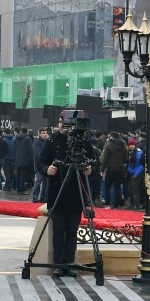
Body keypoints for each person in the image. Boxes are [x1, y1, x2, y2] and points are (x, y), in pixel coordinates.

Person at [37, 116, 97, 278]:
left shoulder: (83, 142)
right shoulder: (52, 141)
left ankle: (69, 263)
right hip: (57, 191)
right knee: (58, 229)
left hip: (76, 192)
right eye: (61, 122)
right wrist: (47, 169)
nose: (63, 126)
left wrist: (91, 169)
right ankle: (59, 263)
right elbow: (40, 162)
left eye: (67, 123)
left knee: (72, 230)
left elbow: (94, 162)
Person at [125, 139, 145, 209]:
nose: (131, 146)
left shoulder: (138, 153)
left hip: (136, 173)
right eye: (130, 145)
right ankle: (132, 204)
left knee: (134, 189)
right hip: (130, 173)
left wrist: (136, 174)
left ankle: (136, 204)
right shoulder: (129, 153)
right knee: (130, 189)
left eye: (132, 145)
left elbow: (141, 165)